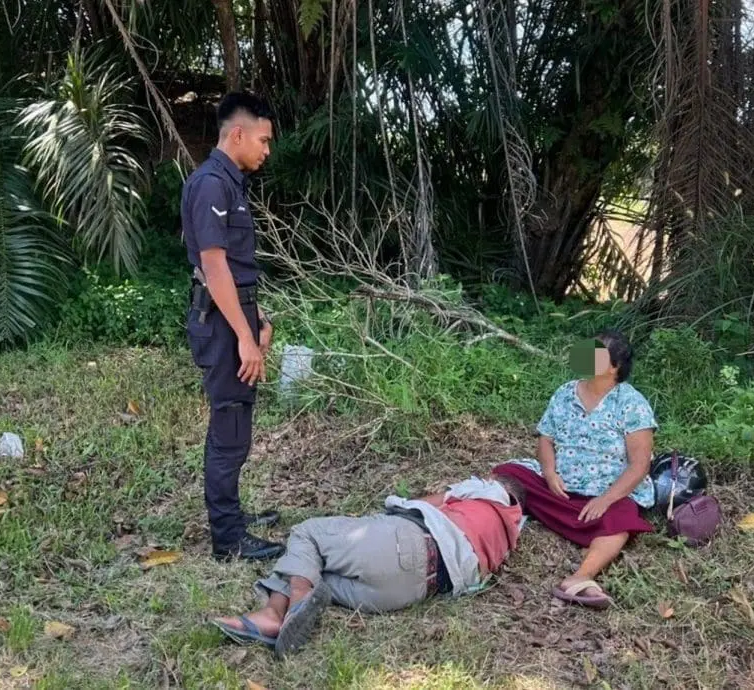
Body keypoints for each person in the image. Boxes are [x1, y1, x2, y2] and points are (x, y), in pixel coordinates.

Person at [210, 475, 527, 657]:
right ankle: (273, 616)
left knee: (307, 534)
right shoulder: (508, 540)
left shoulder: (492, 490)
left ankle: (291, 601)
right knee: (311, 569)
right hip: (409, 591)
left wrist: (396, 503)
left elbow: (429, 501)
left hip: (411, 543)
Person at [181, 92, 284, 562]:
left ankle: (234, 518)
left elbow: (238, 269)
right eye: (263, 140)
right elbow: (214, 266)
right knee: (229, 428)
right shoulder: (210, 186)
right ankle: (228, 540)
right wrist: (244, 337)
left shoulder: (232, 183)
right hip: (222, 328)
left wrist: (257, 318)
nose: (267, 150)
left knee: (236, 424)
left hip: (235, 317)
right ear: (237, 134)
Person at [493, 329, 656, 609]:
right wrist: (549, 472)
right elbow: (546, 438)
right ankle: (449, 509)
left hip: (605, 494)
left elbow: (639, 465)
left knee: (621, 519)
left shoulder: (632, 404)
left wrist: (605, 500)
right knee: (507, 473)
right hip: (560, 487)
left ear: (614, 367)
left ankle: (580, 578)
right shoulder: (565, 392)